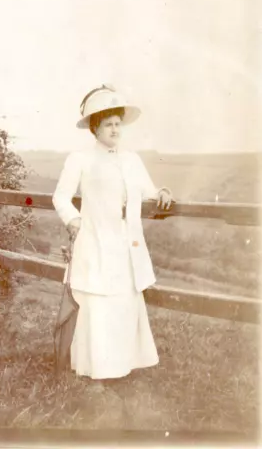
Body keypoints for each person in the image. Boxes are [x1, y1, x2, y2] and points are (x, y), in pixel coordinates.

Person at [52, 84, 172, 380]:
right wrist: (74, 220)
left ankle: (122, 366)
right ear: (96, 127)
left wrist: (162, 192)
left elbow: (147, 191)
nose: (115, 129)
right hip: (94, 240)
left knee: (123, 302)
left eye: (118, 124)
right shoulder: (80, 159)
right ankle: (96, 369)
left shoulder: (131, 159)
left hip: (126, 243)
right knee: (98, 304)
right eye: (109, 124)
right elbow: (61, 197)